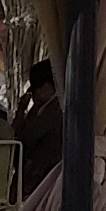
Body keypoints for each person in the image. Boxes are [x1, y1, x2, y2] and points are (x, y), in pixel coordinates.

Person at [8, 54, 64, 190]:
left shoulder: (56, 109)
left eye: (35, 91)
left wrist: (21, 110)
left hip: (43, 173)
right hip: (37, 170)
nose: (33, 96)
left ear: (46, 87)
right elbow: (15, 132)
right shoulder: (40, 107)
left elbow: (26, 136)